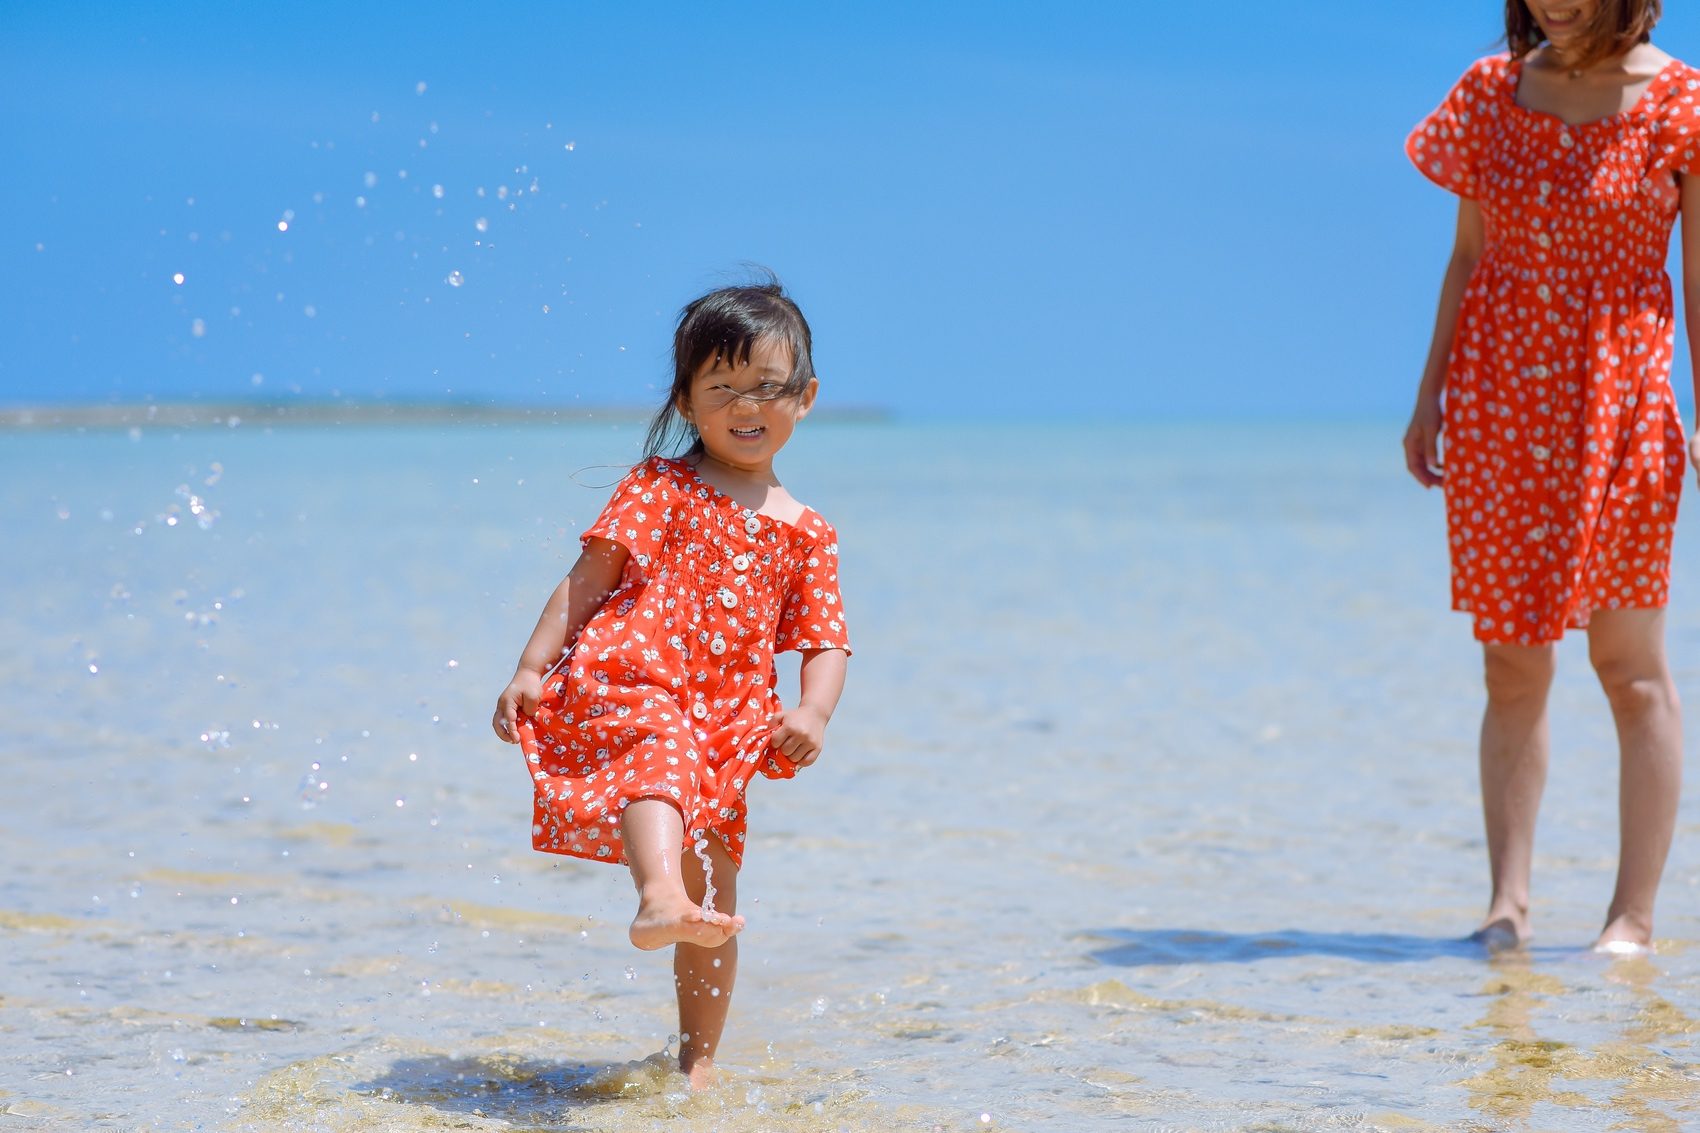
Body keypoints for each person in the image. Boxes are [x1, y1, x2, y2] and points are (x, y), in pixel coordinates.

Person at [492, 277, 850, 1086]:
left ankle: (698, 1060)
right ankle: (655, 894)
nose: (745, 405)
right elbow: (587, 580)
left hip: (730, 717)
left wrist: (814, 711)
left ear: (805, 397)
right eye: (721, 387)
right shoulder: (661, 485)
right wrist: (531, 666)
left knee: (716, 894)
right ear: (687, 401)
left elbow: (826, 639)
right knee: (659, 753)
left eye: (767, 386)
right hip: (636, 673)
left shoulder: (807, 532)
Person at [1403, 0, 1700, 953]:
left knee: (1630, 666)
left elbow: (1699, 278)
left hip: (1622, 405)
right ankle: (1507, 907)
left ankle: (1631, 919)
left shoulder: (1682, 102)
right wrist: (1428, 397)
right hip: (1497, 402)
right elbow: (1467, 255)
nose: (1553, 2)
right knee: (1512, 661)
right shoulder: (1490, 93)